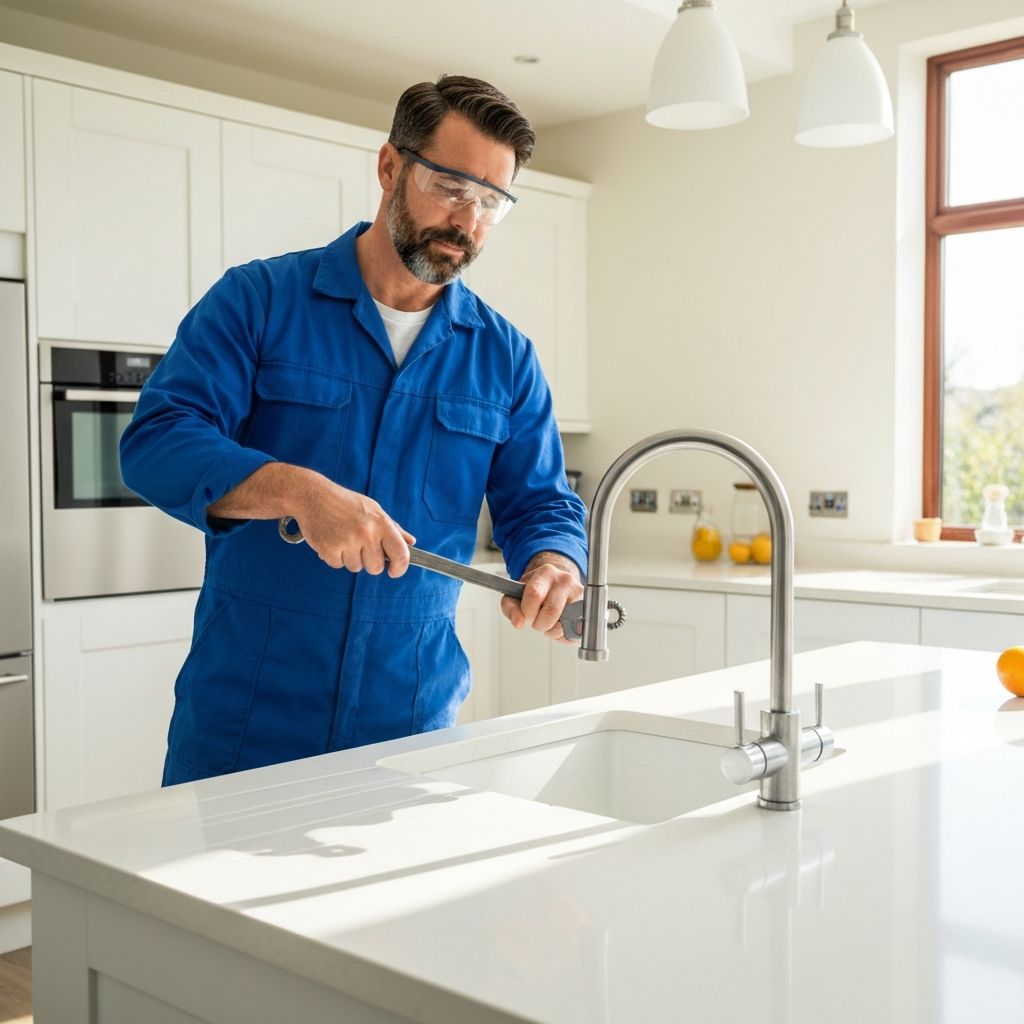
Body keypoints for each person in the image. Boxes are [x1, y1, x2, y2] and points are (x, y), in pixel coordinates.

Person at [120, 75, 588, 786]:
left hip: (410, 728)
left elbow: (541, 503)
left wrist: (555, 561)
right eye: (452, 187)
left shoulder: (506, 357)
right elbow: (156, 439)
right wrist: (296, 490)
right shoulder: (259, 300)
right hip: (244, 726)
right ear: (390, 167)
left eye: (493, 202)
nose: (468, 222)